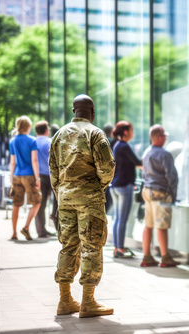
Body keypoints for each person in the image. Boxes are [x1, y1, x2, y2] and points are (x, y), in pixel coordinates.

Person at [49, 94, 116, 318]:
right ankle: (88, 301)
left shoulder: (58, 135)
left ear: (73, 111)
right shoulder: (95, 133)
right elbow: (107, 168)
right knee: (92, 247)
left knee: (68, 246)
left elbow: (53, 171)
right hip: (90, 201)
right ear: (92, 112)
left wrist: (62, 192)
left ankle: (65, 299)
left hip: (65, 199)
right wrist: (98, 187)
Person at [140, 124, 180, 267]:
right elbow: (171, 177)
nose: (165, 139)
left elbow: (143, 173)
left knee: (148, 225)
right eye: (164, 136)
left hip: (147, 191)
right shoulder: (165, 154)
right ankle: (165, 257)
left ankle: (146, 256)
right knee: (161, 225)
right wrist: (173, 195)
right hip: (161, 192)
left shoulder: (146, 152)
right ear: (158, 137)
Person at [110, 121, 142, 258]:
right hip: (124, 186)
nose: (133, 133)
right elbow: (138, 163)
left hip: (115, 185)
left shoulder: (117, 145)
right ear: (125, 132)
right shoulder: (124, 146)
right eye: (131, 130)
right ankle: (120, 248)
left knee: (118, 219)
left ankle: (117, 247)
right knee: (122, 219)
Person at [9, 116, 42, 241]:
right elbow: (34, 160)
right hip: (29, 175)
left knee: (16, 204)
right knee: (37, 202)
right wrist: (37, 179)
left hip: (17, 175)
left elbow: (12, 162)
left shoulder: (12, 141)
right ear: (28, 127)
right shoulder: (32, 140)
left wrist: (11, 177)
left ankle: (14, 233)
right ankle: (26, 227)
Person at [34, 120, 55, 238]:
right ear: (46, 130)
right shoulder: (50, 142)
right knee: (57, 201)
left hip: (38, 176)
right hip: (51, 175)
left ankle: (41, 231)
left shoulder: (33, 142)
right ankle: (56, 224)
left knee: (40, 204)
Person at [49, 123, 60, 227]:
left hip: (47, 174)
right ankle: (54, 216)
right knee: (57, 200)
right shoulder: (57, 141)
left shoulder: (52, 141)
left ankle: (53, 215)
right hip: (57, 176)